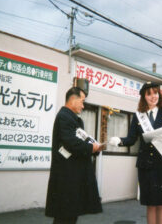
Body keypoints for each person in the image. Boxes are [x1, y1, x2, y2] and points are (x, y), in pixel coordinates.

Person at [109, 82, 162, 224]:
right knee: (151, 204)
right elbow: (131, 139)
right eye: (149, 94)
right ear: (144, 97)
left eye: (155, 92)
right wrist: (119, 141)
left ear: (159, 94)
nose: (153, 96)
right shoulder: (138, 117)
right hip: (146, 165)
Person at [45, 87, 103, 224]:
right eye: (82, 101)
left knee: (69, 214)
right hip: (67, 175)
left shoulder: (71, 118)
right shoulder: (64, 117)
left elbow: (80, 139)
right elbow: (71, 142)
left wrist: (96, 146)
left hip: (72, 175)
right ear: (73, 99)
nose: (83, 106)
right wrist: (91, 148)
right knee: (65, 215)